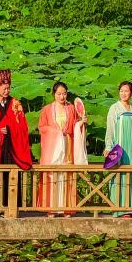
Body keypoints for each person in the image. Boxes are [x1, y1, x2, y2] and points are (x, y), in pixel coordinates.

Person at [0, 69, 33, 210]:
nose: (7, 91)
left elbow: (23, 127)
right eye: (4, 88)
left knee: (11, 173)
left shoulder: (15, 104)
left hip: (12, 145)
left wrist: (10, 130)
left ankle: (11, 205)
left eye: (8, 88)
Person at [37, 81, 86, 216]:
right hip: (52, 146)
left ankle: (66, 207)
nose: (62, 97)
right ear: (54, 94)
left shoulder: (71, 108)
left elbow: (75, 125)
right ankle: (51, 208)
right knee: (52, 175)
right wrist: (55, 132)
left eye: (64, 93)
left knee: (65, 174)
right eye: (59, 94)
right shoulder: (47, 109)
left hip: (66, 144)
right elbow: (42, 127)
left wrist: (81, 123)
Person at [104, 81, 132, 217]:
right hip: (119, 147)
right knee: (120, 175)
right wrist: (108, 147)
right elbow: (110, 130)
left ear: (131, 93)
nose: (123, 93)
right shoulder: (114, 108)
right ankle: (121, 209)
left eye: (126, 91)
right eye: (121, 91)